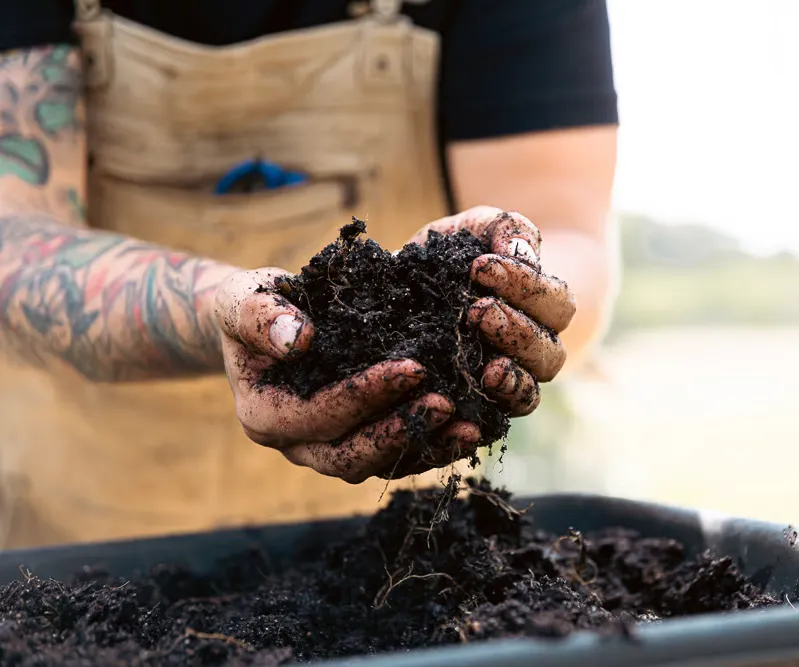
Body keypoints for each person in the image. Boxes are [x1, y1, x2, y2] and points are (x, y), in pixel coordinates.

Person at [0, 0, 619, 549]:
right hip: (74, 549)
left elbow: (564, 234)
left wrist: (506, 290)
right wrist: (233, 312)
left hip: (382, 546)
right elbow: (13, 244)